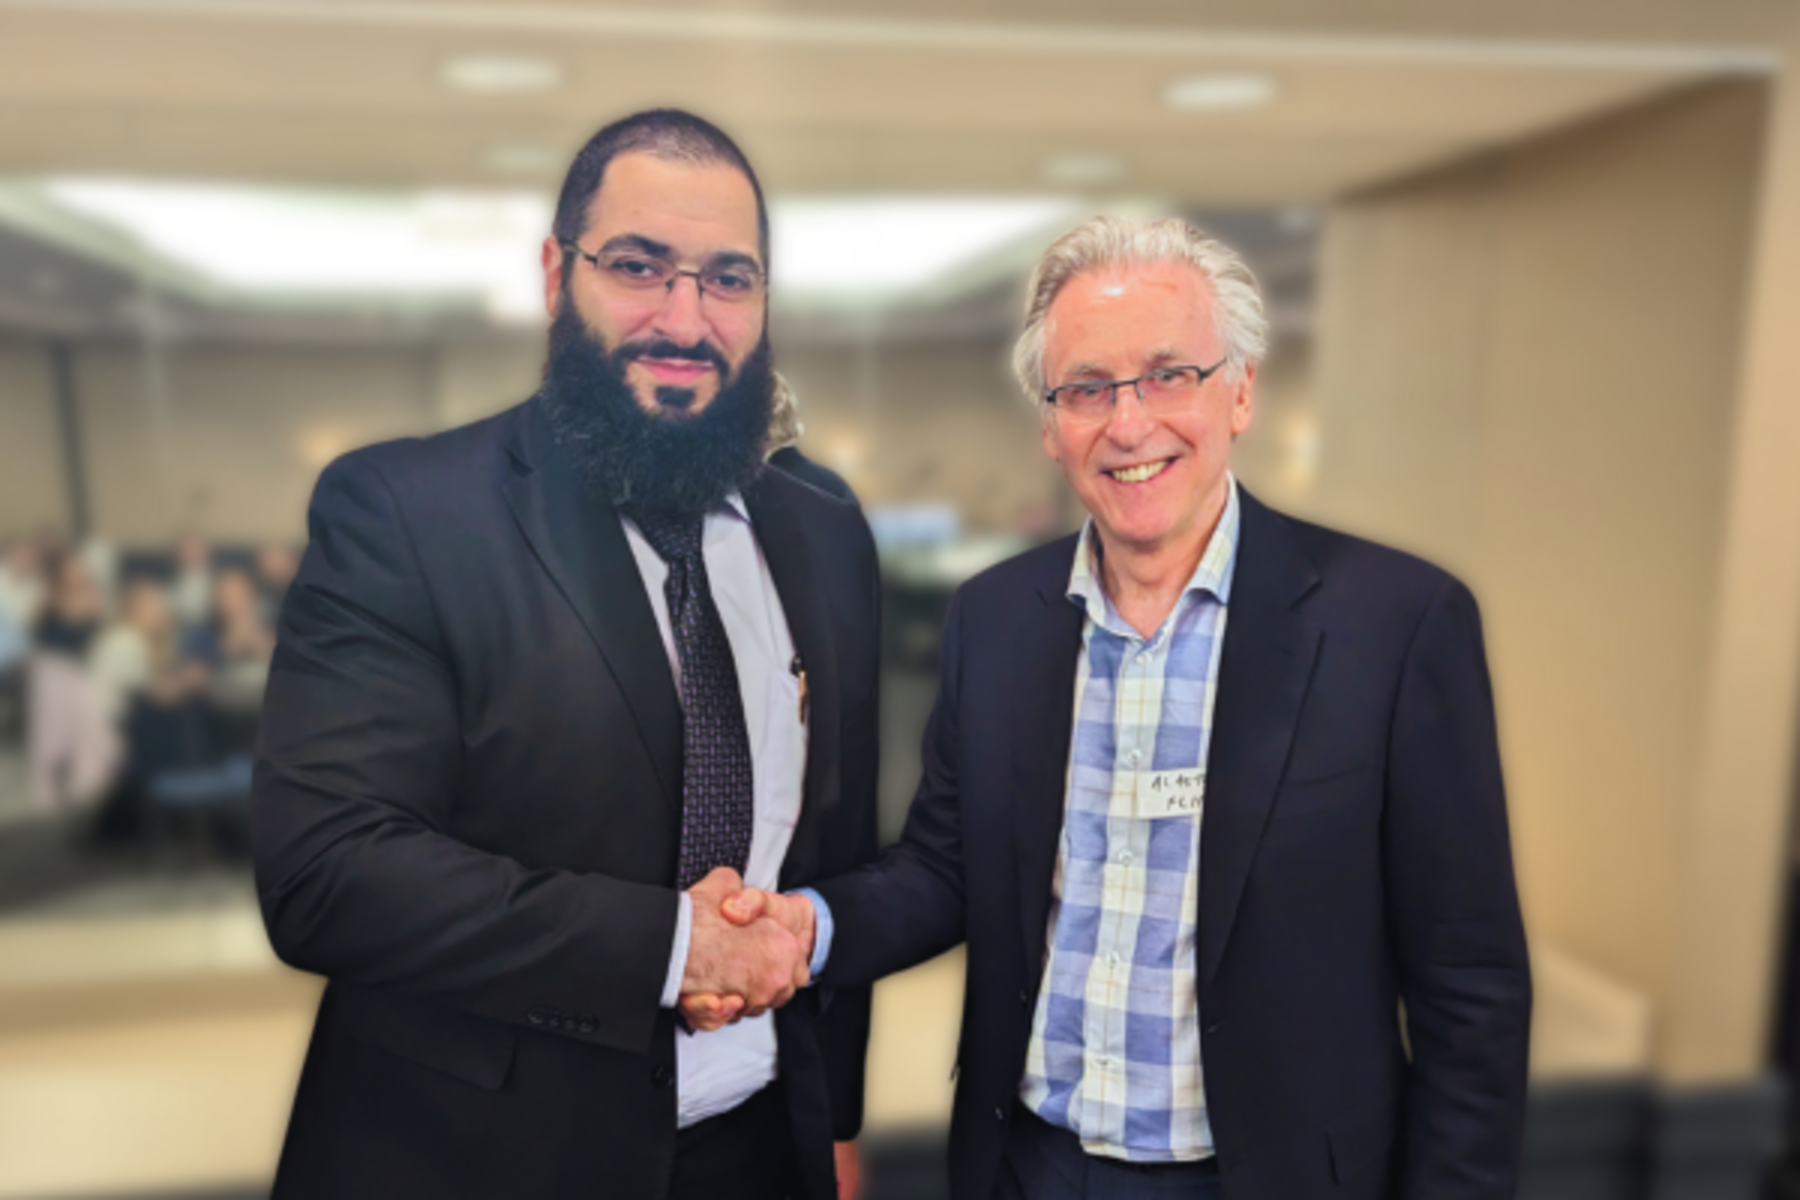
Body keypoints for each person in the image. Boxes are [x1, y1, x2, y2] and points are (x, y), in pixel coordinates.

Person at [699, 216, 1532, 1199]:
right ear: (1051, 428)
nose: (1129, 424)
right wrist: (801, 928)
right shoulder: (996, 619)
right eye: (1088, 389)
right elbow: (943, 870)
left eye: (1169, 374)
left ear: (1241, 390)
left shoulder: (1395, 624)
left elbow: (1470, 984)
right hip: (1030, 1167)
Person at [252, 108, 880, 1200]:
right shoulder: (406, 511)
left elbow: (839, 846)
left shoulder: (821, 530)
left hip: (760, 1146)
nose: (686, 318)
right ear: (556, 274)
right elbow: (327, 872)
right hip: (482, 1158)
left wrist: (839, 1124)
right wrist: (671, 947)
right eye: (639, 267)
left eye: (729, 278)